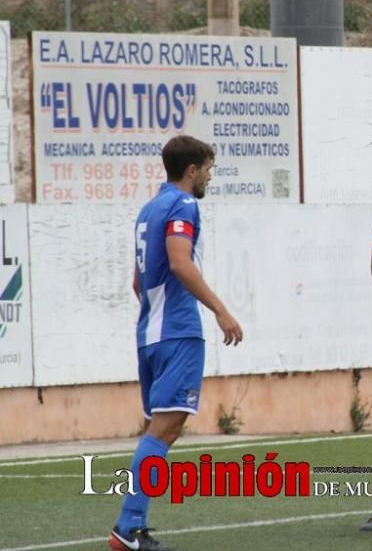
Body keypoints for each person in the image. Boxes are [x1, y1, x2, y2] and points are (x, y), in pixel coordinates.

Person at [109, 135, 244, 551]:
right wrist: (221, 309)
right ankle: (128, 527)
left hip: (149, 332)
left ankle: (134, 525)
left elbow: (138, 280)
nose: (209, 176)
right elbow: (180, 262)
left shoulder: (148, 209)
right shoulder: (185, 205)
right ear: (192, 170)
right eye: (208, 169)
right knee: (164, 429)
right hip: (178, 332)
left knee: (161, 429)